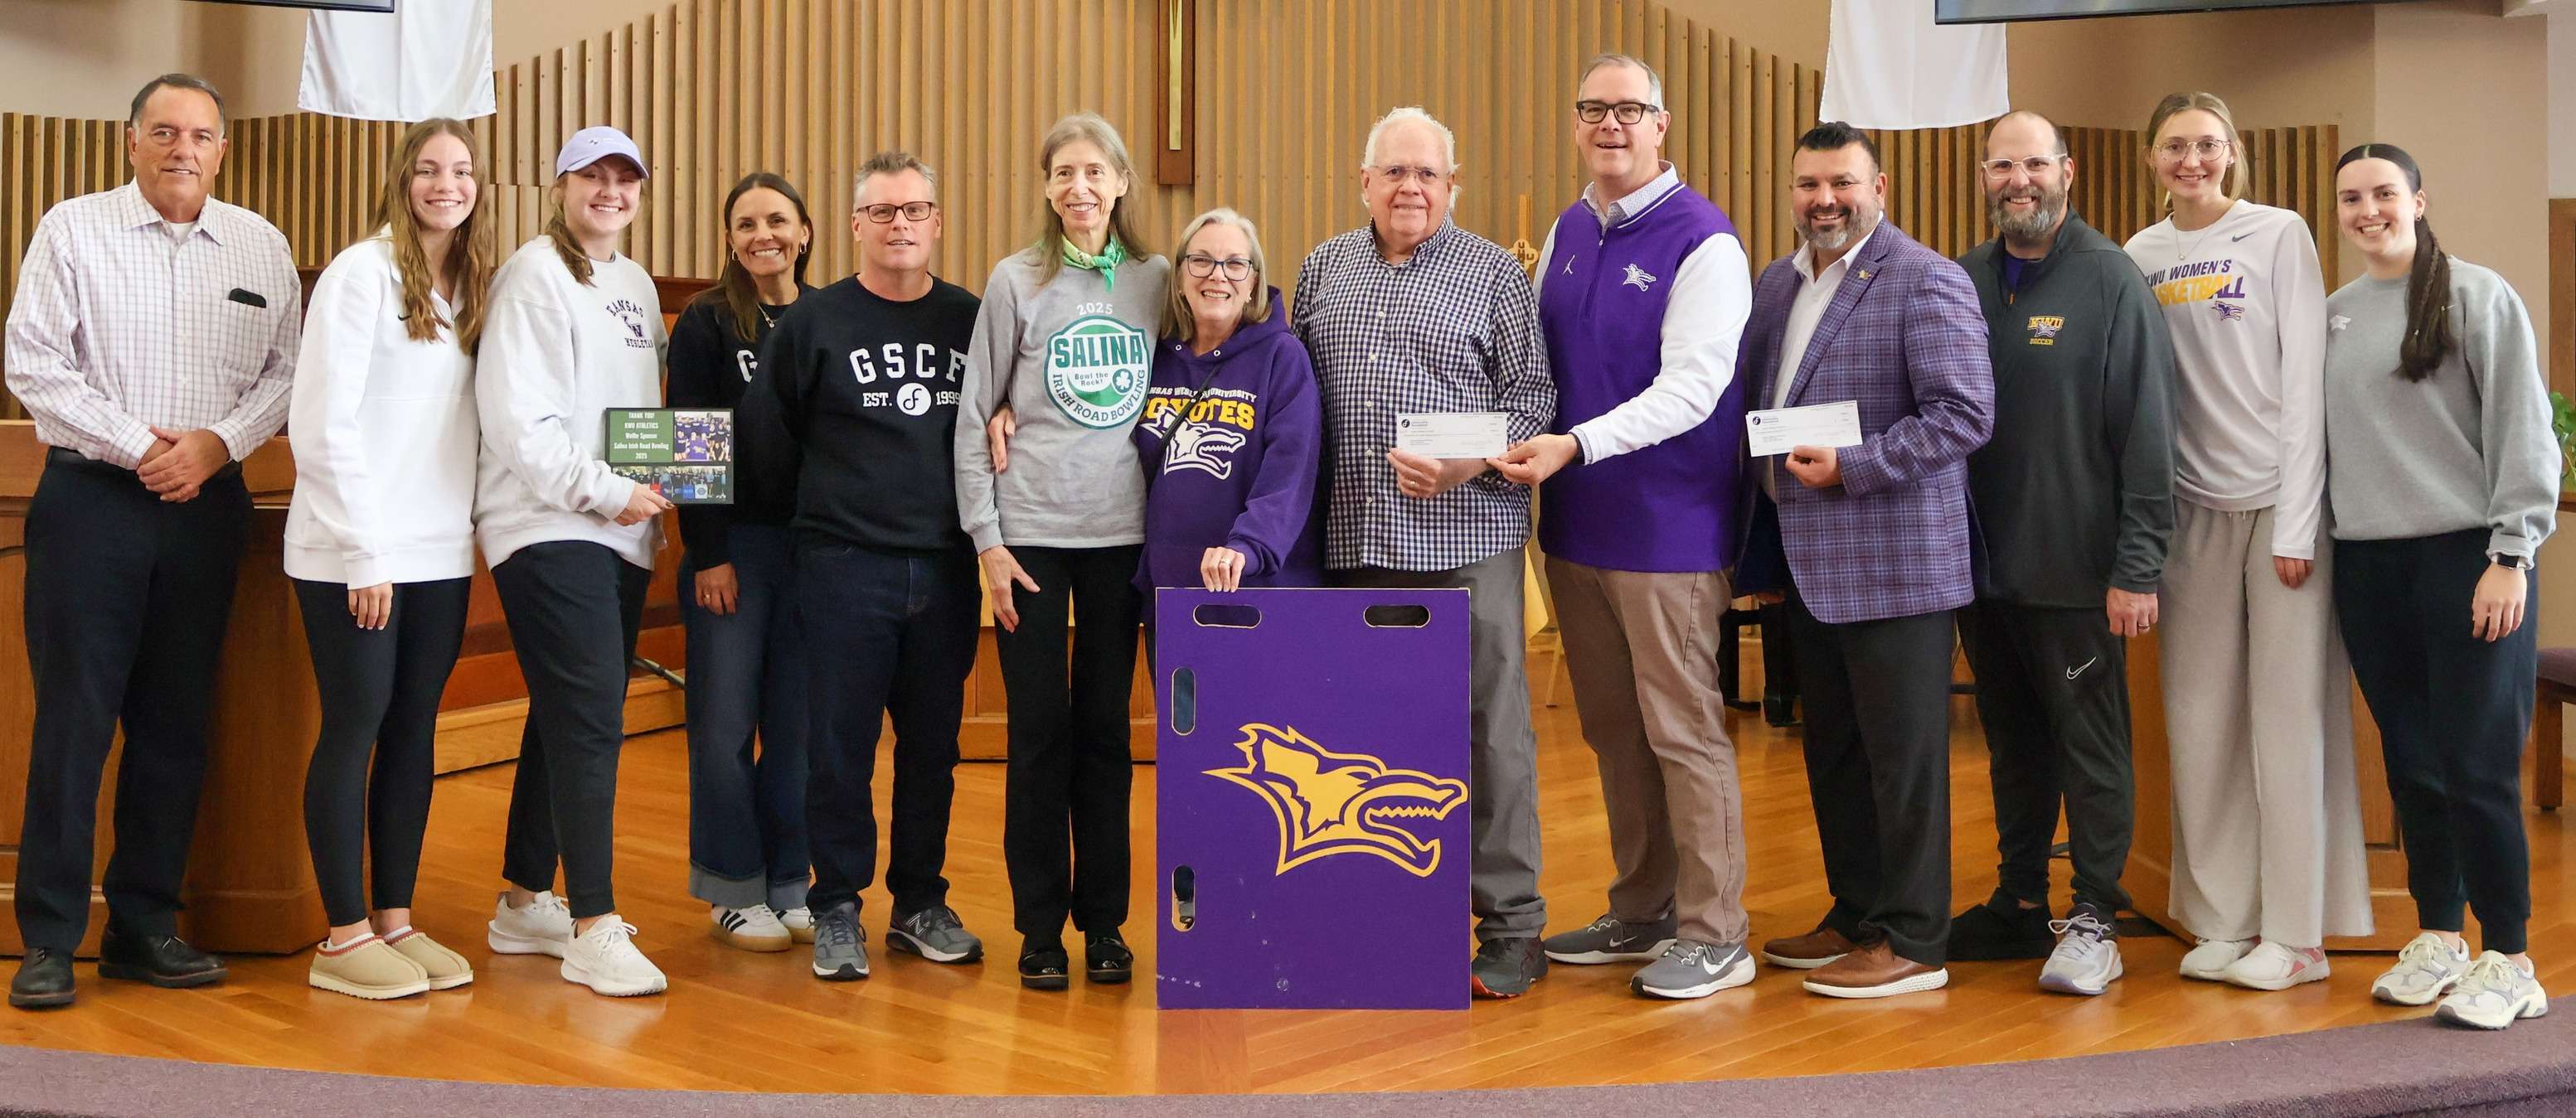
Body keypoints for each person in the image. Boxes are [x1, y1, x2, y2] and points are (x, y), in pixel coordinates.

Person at [6, 74, 298, 1011]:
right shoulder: (72, 228)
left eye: (201, 134)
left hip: (209, 506)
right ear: (130, 142)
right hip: (93, 501)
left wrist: (216, 446)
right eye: (164, 131)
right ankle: (49, 936)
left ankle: (144, 923)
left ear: (222, 149)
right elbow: (34, 363)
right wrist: (143, 447)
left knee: (175, 725)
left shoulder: (262, 244)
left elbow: (290, 372)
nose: (183, 147)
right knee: (74, 724)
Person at [1497, 54, 1757, 1001]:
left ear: (1662, 124)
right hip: (1575, 528)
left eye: (1629, 110)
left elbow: (1694, 386)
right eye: (1593, 109)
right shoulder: (1570, 229)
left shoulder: (1705, 241)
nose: (1611, 124)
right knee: (1613, 730)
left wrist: (1575, 443)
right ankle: (1642, 906)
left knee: (1681, 730)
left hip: (1667, 532)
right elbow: (1534, 371)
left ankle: (1716, 930)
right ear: (1575, 123)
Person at [1293, 105, 1558, 999]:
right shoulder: (1321, 267)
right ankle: (1381, 913)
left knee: (1489, 735)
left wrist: (1466, 463)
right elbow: (1291, 394)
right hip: (1353, 541)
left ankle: (1513, 925)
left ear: (1452, 187)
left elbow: (1533, 401)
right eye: (1393, 172)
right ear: (1362, 181)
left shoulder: (1492, 275)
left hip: (1465, 540)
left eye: (1427, 175)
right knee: (1358, 746)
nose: (1410, 187)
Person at [1740, 121, 1993, 1000]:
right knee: (1837, 753)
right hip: (1807, 563)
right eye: (1808, 184)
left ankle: (1916, 937)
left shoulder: (1925, 279)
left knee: (1905, 760)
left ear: (1877, 187)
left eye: (1841, 183)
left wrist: (1854, 465)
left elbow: (1962, 415)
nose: (1824, 200)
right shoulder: (1777, 282)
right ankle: (1856, 911)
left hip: (1896, 561)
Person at [2124, 91, 2370, 991]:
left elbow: (2303, 382)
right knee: (2197, 719)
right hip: (2188, 514)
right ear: (2152, 158)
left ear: (2232, 153)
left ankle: (2298, 934)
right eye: (2174, 146)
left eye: (2206, 144)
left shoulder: (2276, 234)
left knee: (2287, 721)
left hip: (2279, 508)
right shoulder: (2138, 254)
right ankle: (2222, 916)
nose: (2191, 160)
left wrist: (2299, 520)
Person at [2325, 143, 2556, 1029]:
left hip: (2469, 558)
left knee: (2476, 763)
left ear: (2417, 199)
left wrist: (2510, 552)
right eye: (2350, 198)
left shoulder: (2476, 295)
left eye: (2383, 192)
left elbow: (2520, 429)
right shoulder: (2335, 316)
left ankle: (2508, 953)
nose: (2366, 209)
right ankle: (2437, 935)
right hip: (2370, 564)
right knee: (2411, 763)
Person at [744, 151, 987, 981]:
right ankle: (837, 903)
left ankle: (919, 901)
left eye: (914, 209)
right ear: (853, 226)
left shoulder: (972, 319)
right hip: (843, 564)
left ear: (937, 222)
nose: (898, 225)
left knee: (932, 747)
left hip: (946, 568)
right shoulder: (812, 324)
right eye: (881, 212)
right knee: (837, 749)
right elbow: (766, 447)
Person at [1949, 110, 2176, 996]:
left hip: (2076, 567)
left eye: (2034, 164)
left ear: (2066, 170)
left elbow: (2148, 434)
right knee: (2010, 742)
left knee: (2088, 744)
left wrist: (2136, 565)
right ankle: (2017, 900)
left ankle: (2093, 915)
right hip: (1978, 569)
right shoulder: (1960, 278)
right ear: (1983, 177)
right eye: (2002, 166)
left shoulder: (2110, 279)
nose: (2019, 181)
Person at [953, 114, 1169, 991]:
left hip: (1123, 538)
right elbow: (976, 416)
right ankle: (1039, 925)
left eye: (1094, 171)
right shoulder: (1015, 280)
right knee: (1037, 735)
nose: (1079, 187)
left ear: (1121, 182)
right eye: (1062, 173)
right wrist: (987, 541)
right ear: (1046, 188)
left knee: (1106, 737)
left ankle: (1105, 923)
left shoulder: (1158, 281)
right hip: (1032, 536)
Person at [284, 118, 495, 1000]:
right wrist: (365, 551)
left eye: (462, 170)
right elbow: (321, 424)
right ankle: (341, 937)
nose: (446, 183)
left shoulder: (475, 283)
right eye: (429, 169)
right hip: (351, 550)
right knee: (356, 724)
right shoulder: (359, 272)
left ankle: (395, 917)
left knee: (413, 731)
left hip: (439, 549)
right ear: (401, 178)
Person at [474, 125, 677, 997]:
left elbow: (643, 415)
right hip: (548, 521)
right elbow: (521, 425)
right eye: (590, 176)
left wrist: (651, 501)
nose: (608, 190)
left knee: (566, 707)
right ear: (559, 186)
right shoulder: (531, 274)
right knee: (593, 714)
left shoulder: (632, 282)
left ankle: (524, 897)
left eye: (623, 178)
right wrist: (608, 491)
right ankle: (592, 921)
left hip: (622, 527)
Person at [667, 172, 817, 954]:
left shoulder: (828, 316)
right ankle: (732, 884)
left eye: (777, 220)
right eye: (747, 223)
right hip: (733, 551)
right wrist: (709, 553)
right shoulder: (705, 321)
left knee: (796, 725)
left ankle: (790, 877)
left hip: (813, 551)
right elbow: (688, 443)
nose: (763, 234)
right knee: (725, 721)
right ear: (730, 239)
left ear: (804, 231)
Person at [1132, 207, 1322, 607]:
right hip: (1171, 592)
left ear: (1253, 282)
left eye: (1235, 264)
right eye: (1201, 261)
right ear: (1181, 277)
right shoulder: (1153, 357)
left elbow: (1291, 470)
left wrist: (1248, 547)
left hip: (1256, 587)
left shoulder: (1282, 357)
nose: (1217, 275)